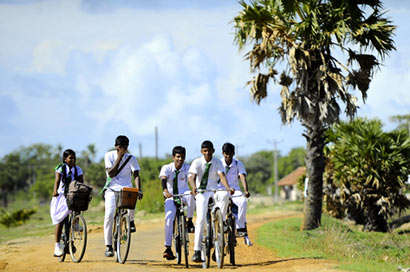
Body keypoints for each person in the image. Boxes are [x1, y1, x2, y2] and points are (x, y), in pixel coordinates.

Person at [188, 140, 234, 263]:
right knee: (201, 218)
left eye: (209, 150)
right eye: (205, 151)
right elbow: (191, 177)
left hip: (214, 190)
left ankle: (221, 221)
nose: (207, 153)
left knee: (224, 195)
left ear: (213, 151)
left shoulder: (218, 162)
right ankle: (197, 250)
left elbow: (222, 176)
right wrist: (193, 187)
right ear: (202, 151)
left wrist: (228, 188)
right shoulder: (197, 162)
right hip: (201, 191)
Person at [103, 135, 142, 257]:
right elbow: (111, 173)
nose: (122, 150)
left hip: (126, 187)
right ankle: (108, 246)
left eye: (124, 148)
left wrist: (138, 189)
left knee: (132, 197)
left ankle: (131, 221)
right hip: (112, 188)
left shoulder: (131, 158)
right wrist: (119, 158)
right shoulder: (109, 156)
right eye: (120, 147)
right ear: (116, 146)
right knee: (109, 214)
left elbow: (136, 174)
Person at [159, 146, 195, 260]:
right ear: (173, 157)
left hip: (183, 192)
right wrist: (165, 191)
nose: (180, 159)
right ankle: (168, 247)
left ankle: (189, 221)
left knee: (191, 196)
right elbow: (163, 179)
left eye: (182, 157)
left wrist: (194, 187)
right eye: (178, 157)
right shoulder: (167, 168)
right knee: (169, 218)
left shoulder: (187, 168)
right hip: (170, 195)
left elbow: (191, 178)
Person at [50, 149, 84, 257]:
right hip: (61, 196)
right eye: (70, 158)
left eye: (74, 158)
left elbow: (80, 183)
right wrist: (55, 191)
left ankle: (76, 224)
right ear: (65, 159)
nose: (73, 160)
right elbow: (57, 181)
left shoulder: (77, 169)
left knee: (78, 205)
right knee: (61, 221)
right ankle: (57, 246)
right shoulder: (61, 168)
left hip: (72, 195)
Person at [220, 142, 252, 246]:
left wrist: (246, 190)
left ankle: (240, 227)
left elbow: (242, 176)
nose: (227, 155)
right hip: (222, 190)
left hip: (235, 190)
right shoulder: (218, 164)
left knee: (243, 202)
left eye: (229, 153)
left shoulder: (238, 164)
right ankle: (222, 224)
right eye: (225, 153)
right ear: (222, 153)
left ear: (233, 153)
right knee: (222, 202)